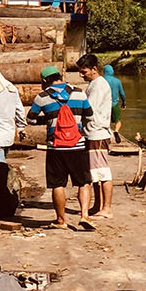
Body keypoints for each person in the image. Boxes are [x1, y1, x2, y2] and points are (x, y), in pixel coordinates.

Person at [27, 65, 95, 229]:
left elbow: (30, 119)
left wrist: (49, 120)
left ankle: (60, 220)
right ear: (60, 76)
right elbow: (90, 115)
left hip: (56, 147)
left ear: (44, 81)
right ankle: (85, 216)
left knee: (58, 184)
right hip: (78, 145)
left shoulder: (42, 97)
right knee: (84, 182)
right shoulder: (79, 92)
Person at [76, 54, 114, 220]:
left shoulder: (99, 85)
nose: (82, 75)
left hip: (97, 132)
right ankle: (98, 205)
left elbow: (89, 109)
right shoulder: (93, 84)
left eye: (84, 72)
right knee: (95, 173)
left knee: (102, 172)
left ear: (94, 69)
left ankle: (107, 208)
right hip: (92, 132)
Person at [103, 64, 127, 143]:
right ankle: (116, 131)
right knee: (118, 121)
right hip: (115, 104)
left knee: (106, 121)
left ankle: (107, 136)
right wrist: (124, 103)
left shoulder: (102, 80)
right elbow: (122, 93)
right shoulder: (117, 81)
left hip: (105, 104)